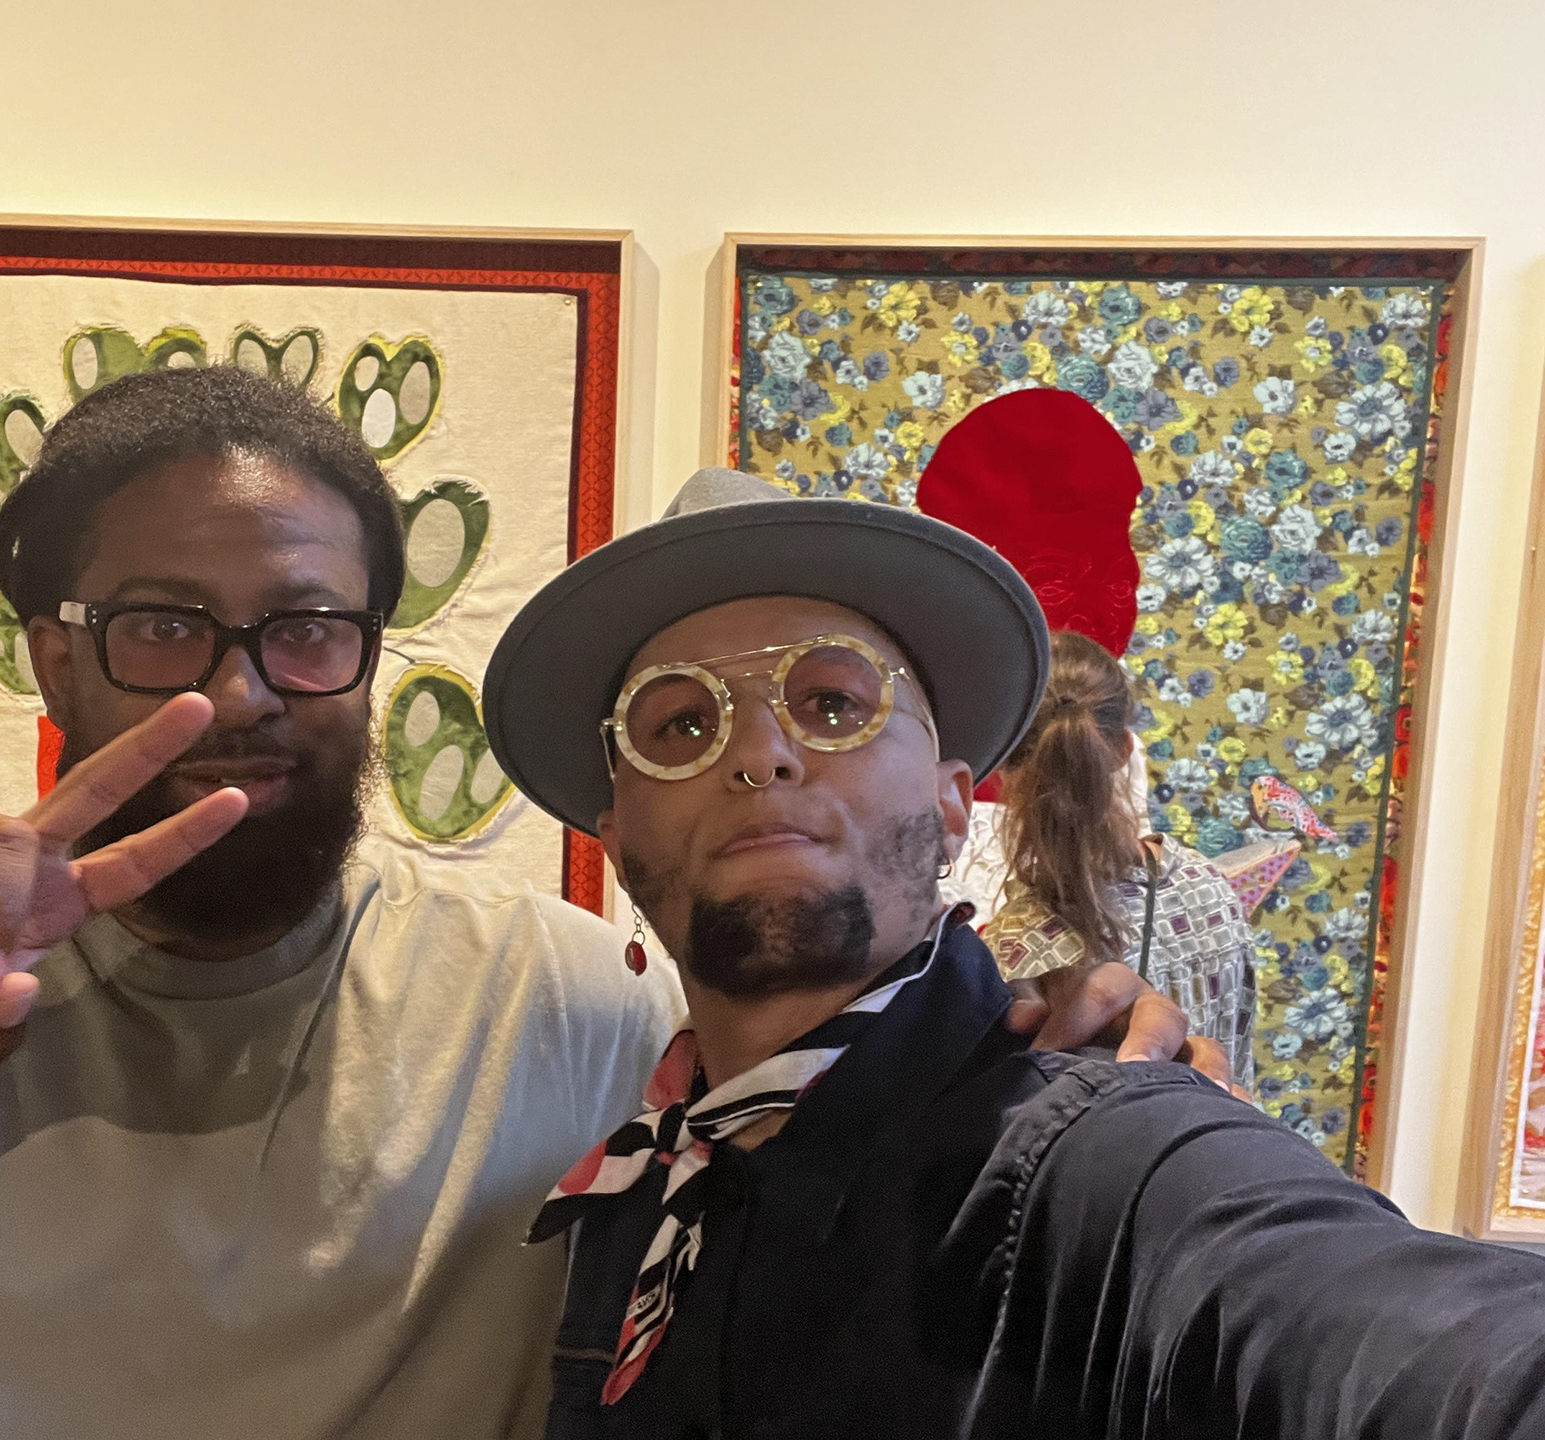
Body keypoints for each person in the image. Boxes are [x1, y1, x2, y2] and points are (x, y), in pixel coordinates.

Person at [0, 371, 1189, 1439]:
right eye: (164, 626)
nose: (243, 691)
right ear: (53, 654)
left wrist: (1055, 1063)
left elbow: (842, 1114)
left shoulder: (567, 1006)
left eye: (309, 628)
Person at [483, 466, 1545, 1439]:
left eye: (833, 704)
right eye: (679, 725)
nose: (760, 751)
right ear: (617, 839)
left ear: (953, 806)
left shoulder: (1103, 1162)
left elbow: (1403, 1340)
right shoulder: (625, 1195)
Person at [982, 629, 1258, 1089]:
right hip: (1228, 1128)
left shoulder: (1010, 950)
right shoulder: (1213, 889)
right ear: (1124, 749)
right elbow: (1240, 1061)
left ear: (1000, 764)